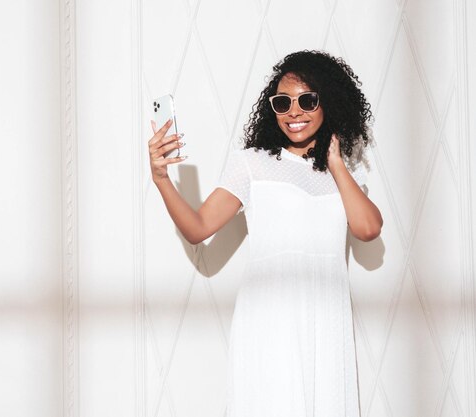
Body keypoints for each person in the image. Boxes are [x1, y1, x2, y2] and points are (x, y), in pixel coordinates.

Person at [148, 50, 382, 416]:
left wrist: (335, 162)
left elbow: (368, 229)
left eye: (307, 100)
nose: (294, 111)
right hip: (270, 320)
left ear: (329, 103)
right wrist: (161, 179)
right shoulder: (253, 164)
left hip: (327, 320)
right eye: (282, 102)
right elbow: (197, 229)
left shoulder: (346, 175)